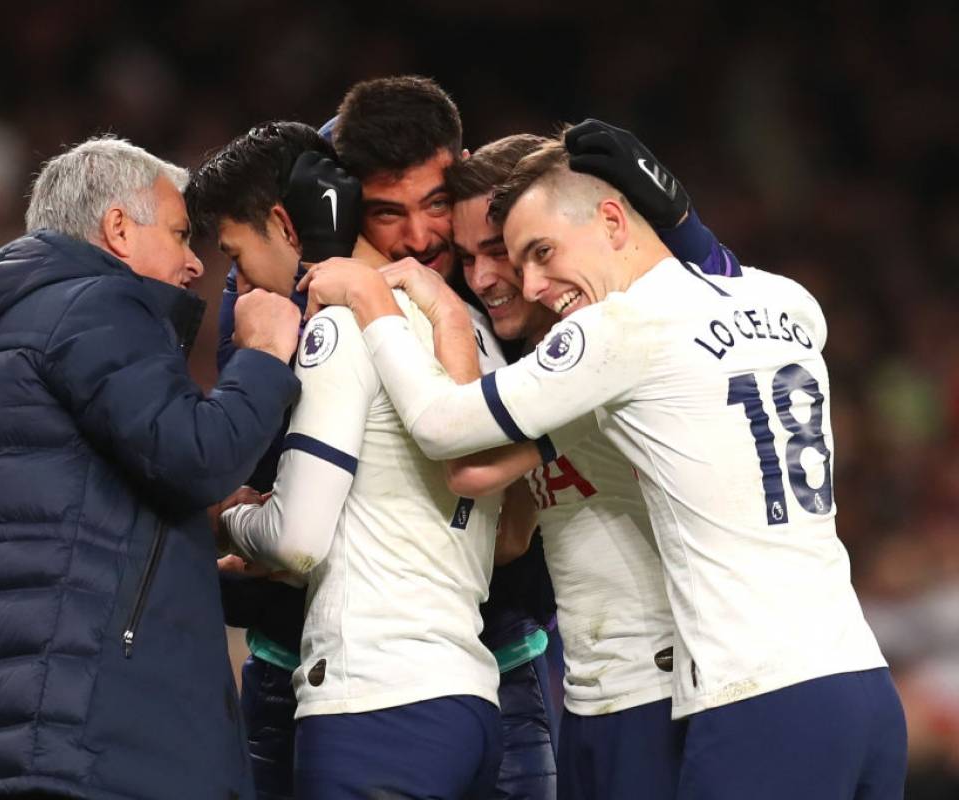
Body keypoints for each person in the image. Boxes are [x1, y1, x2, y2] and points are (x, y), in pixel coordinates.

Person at [301, 137, 907, 799]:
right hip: (850, 672)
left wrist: (388, 300)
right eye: (473, 258)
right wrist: (684, 225)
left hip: (723, 691)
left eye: (532, 251)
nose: (507, 279)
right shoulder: (783, 299)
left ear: (612, 221)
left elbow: (459, 447)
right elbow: (731, 294)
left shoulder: (611, 336)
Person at [0, 135, 303, 800]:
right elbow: (199, 457)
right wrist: (263, 354)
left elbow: (63, 546)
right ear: (118, 229)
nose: (196, 263)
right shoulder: (95, 304)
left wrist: (202, 542)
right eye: (179, 234)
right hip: (74, 745)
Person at [193, 121, 504, 799]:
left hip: (374, 703)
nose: (240, 281)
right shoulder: (468, 321)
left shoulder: (340, 325)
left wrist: (230, 522)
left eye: (235, 254)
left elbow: (297, 542)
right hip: (472, 693)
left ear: (284, 223)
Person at [331, 76, 561, 797]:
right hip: (374, 672)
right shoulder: (316, 295)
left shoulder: (535, 292)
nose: (420, 238)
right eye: (386, 213)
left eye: (435, 204)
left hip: (517, 649)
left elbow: (501, 521)